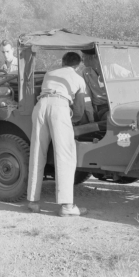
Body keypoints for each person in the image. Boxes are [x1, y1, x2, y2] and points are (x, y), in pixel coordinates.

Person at [26, 52, 88, 217]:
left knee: (37, 153)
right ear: (78, 65)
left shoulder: (50, 73)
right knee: (65, 155)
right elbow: (79, 110)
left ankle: (32, 202)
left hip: (40, 106)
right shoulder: (78, 79)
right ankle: (67, 206)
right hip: (59, 106)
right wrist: (71, 120)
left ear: (62, 62)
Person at [80, 48, 133, 122]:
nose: (81, 60)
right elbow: (87, 96)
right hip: (101, 108)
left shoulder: (112, 68)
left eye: (83, 57)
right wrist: (91, 116)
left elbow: (133, 78)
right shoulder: (85, 72)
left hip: (117, 105)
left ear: (93, 57)